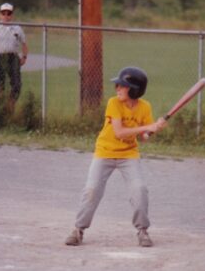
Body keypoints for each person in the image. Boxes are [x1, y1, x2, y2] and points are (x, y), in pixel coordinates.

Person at [65, 67, 167, 247]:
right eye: (118, 85)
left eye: (123, 85)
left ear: (134, 89)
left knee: (139, 189)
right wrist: (146, 128)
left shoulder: (145, 107)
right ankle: (78, 229)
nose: (117, 88)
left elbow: (143, 138)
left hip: (129, 154)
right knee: (92, 189)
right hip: (105, 152)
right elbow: (119, 132)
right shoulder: (114, 103)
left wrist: (155, 129)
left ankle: (142, 230)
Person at [0, 3, 28, 112]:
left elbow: (24, 44)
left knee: (16, 84)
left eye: (8, 13)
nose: (6, 16)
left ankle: (10, 106)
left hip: (13, 57)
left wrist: (24, 57)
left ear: (12, 15)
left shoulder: (17, 28)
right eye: (3, 13)